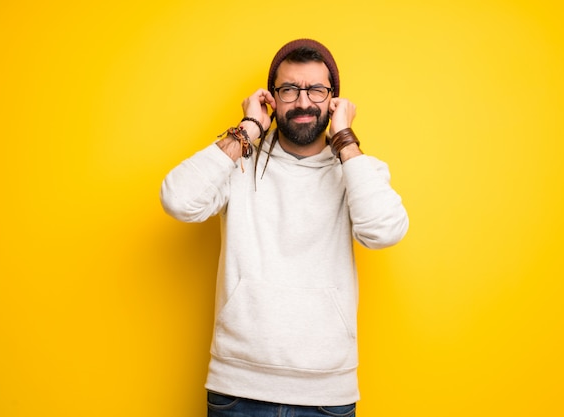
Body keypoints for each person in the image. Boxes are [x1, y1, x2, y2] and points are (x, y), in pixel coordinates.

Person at [160, 38, 409, 417]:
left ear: (335, 101)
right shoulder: (238, 162)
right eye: (290, 89)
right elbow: (179, 200)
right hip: (237, 389)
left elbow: (385, 231)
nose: (304, 102)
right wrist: (246, 130)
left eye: (317, 90)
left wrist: (344, 139)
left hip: (326, 396)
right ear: (271, 99)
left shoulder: (358, 170)